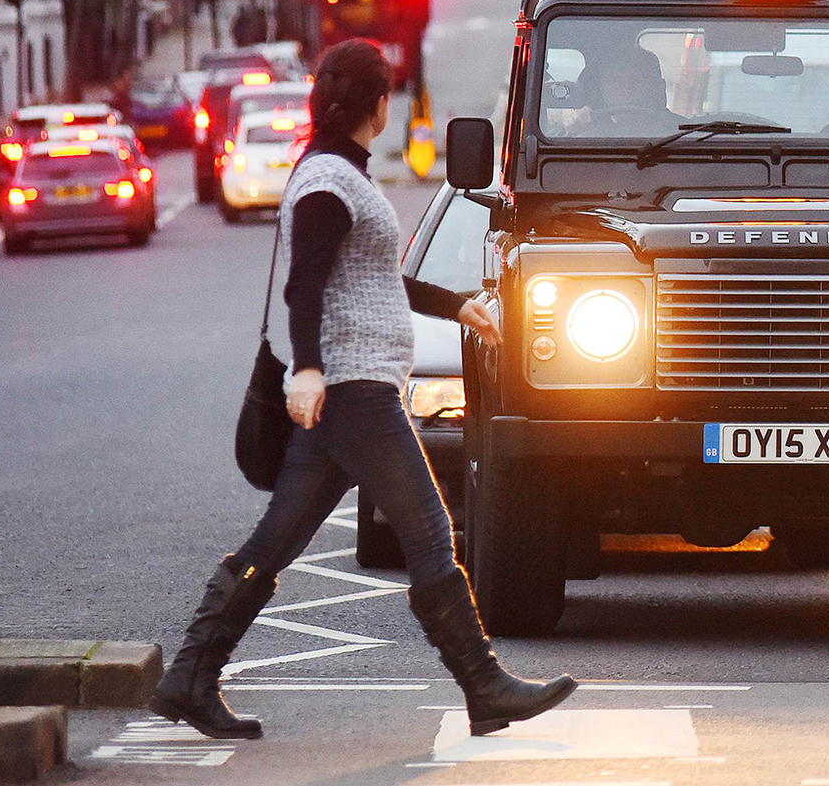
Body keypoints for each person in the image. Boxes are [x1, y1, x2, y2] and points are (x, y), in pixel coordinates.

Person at [150, 39, 576, 743]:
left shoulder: (339, 174)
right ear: (380, 103)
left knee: (277, 538)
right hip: (353, 389)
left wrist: (457, 303)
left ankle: (189, 676)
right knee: (431, 530)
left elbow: (378, 276)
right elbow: (304, 283)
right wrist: (311, 367)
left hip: (351, 387)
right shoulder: (326, 179)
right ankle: (485, 686)